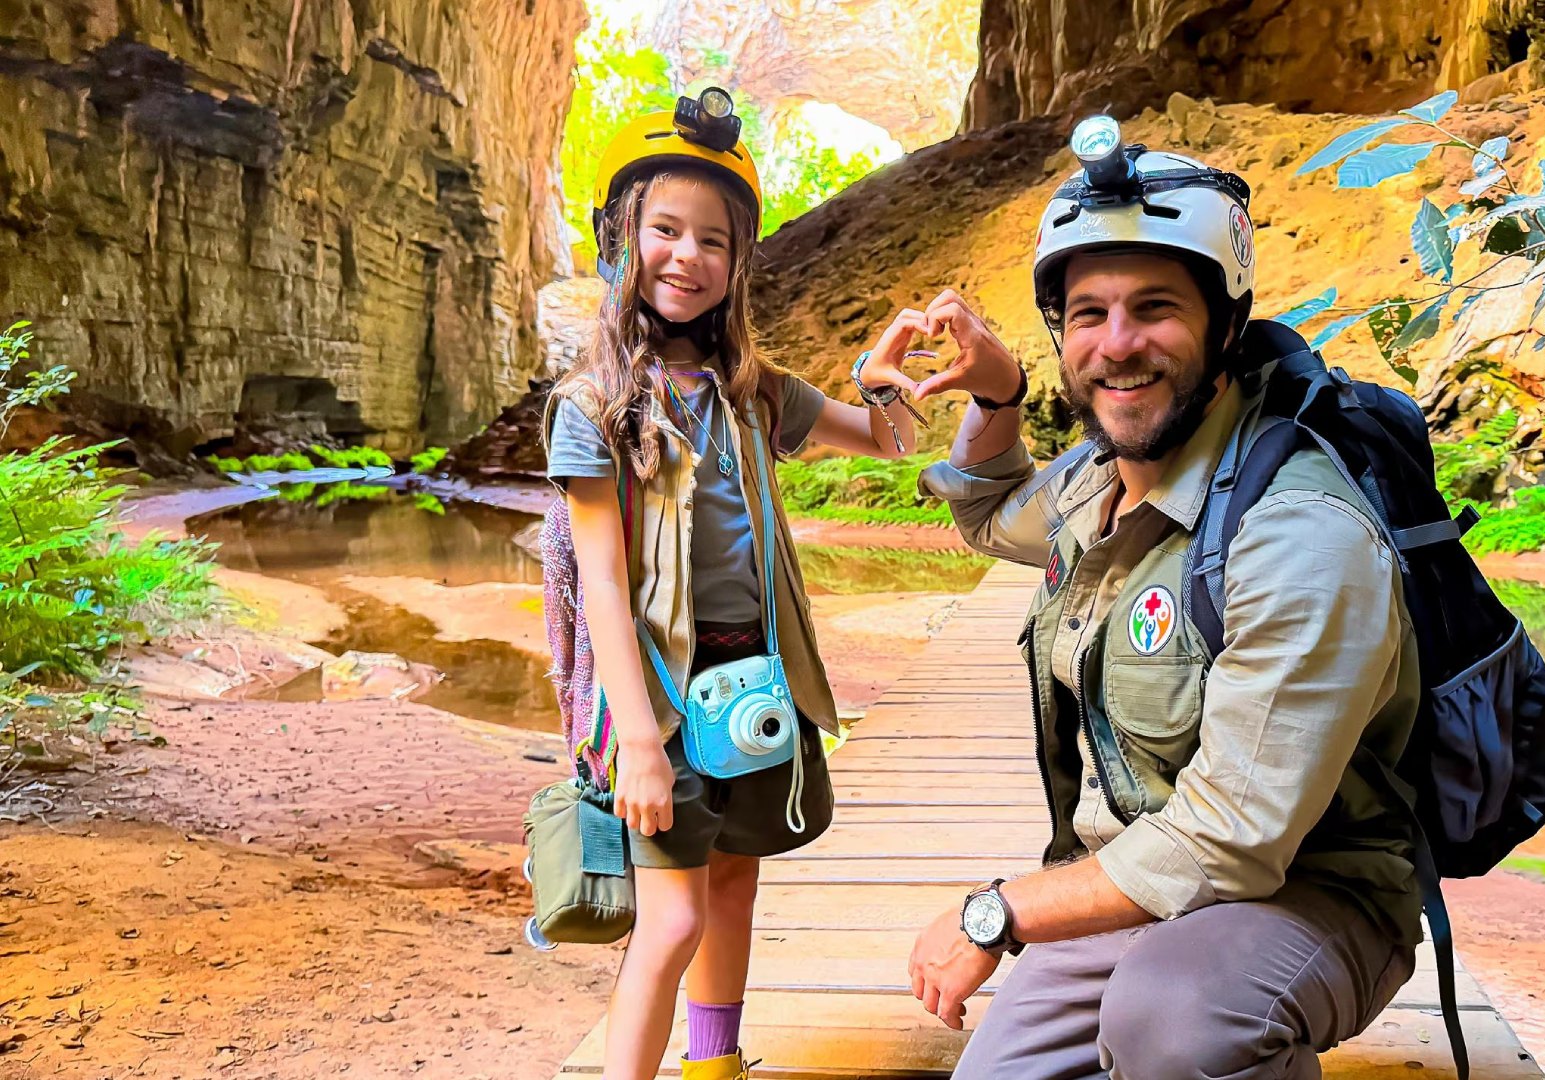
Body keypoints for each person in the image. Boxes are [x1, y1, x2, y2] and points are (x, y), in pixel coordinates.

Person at [895, 123, 1426, 1079]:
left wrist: (1000, 910)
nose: (1118, 344)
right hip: (1141, 883)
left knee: (1179, 1023)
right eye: (1087, 313)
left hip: (1311, 893)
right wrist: (1000, 390)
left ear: (1226, 323)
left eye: (1155, 308)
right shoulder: (1101, 479)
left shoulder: (1300, 531)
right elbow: (983, 514)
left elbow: (1232, 844)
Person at [544, 89, 926, 1080]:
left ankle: (714, 1064)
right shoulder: (592, 409)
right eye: (664, 229)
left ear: (739, 261)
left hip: (752, 685)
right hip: (658, 704)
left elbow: (884, 438)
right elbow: (600, 586)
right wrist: (636, 742)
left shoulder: (752, 391)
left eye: (714, 239)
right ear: (619, 238)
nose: (688, 255)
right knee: (669, 919)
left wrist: (879, 375)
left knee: (734, 885)